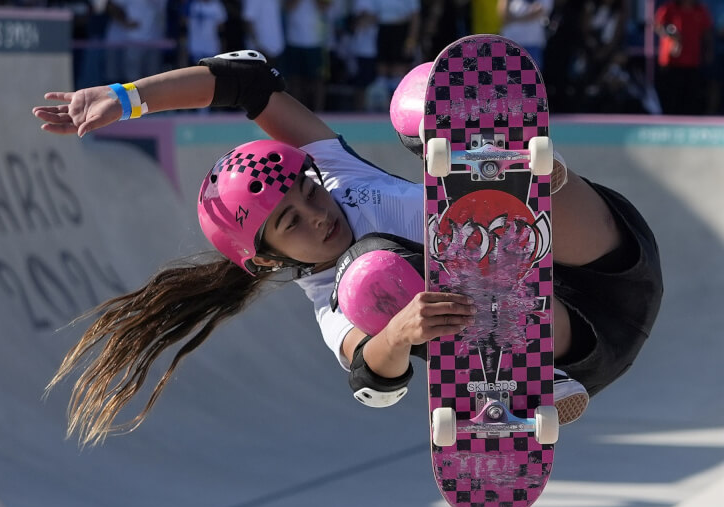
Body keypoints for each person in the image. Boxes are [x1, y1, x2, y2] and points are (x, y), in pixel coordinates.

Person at [32, 48, 663, 446]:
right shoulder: (332, 301)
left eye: (307, 190)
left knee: (419, 101)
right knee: (373, 278)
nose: (318, 213)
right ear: (265, 259)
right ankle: (514, 388)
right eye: (290, 222)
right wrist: (399, 333)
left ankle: (518, 167)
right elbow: (374, 378)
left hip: (603, 256)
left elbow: (247, 82)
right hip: (568, 349)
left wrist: (126, 97)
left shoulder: (333, 167)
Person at [654, 0, 714, 115]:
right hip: (671, 62)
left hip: (692, 62)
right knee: (671, 99)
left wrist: (708, 52)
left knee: (690, 100)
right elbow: (658, 26)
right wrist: (670, 33)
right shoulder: (669, 8)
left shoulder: (700, 10)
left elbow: (707, 32)